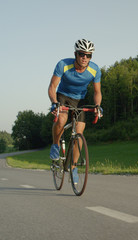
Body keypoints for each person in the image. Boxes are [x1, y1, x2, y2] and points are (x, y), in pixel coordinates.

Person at [48, 39, 102, 184]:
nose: (85, 58)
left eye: (88, 55)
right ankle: (55, 145)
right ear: (75, 54)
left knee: (79, 134)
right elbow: (52, 87)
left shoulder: (95, 70)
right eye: (81, 54)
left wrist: (97, 106)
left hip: (80, 100)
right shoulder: (63, 65)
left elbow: (97, 92)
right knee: (61, 120)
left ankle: (73, 167)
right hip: (63, 96)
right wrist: (54, 103)